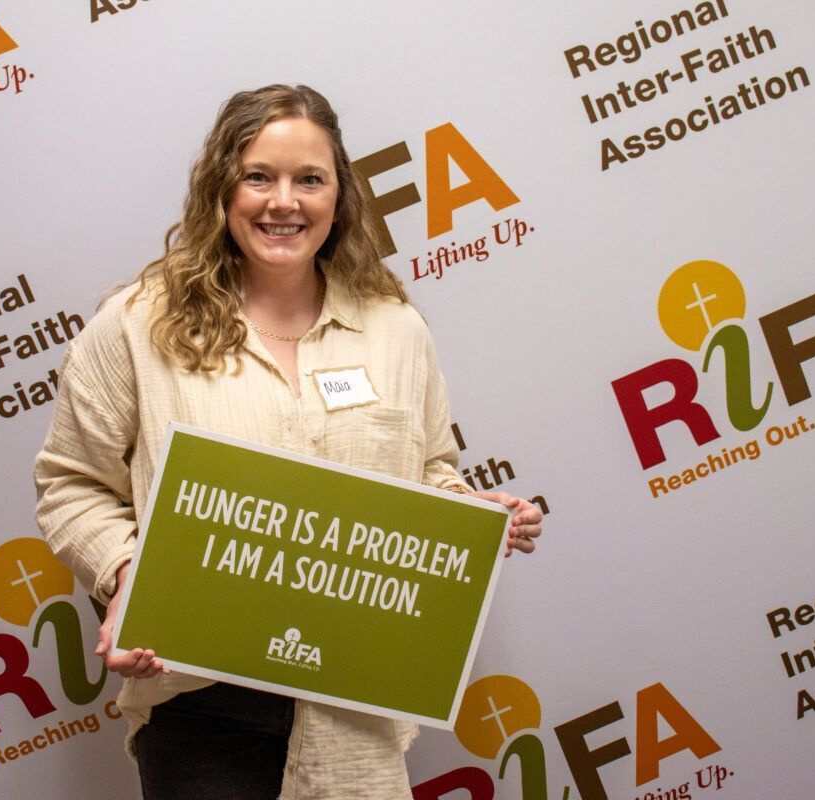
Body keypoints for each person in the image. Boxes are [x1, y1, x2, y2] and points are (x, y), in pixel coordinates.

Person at [34, 84, 543, 800]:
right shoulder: (135, 326)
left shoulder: (395, 329)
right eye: (258, 177)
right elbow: (71, 484)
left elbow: (428, 469)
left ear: (341, 198)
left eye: (310, 179)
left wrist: (471, 517)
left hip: (355, 710)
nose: (284, 202)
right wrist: (126, 577)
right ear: (221, 189)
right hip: (201, 710)